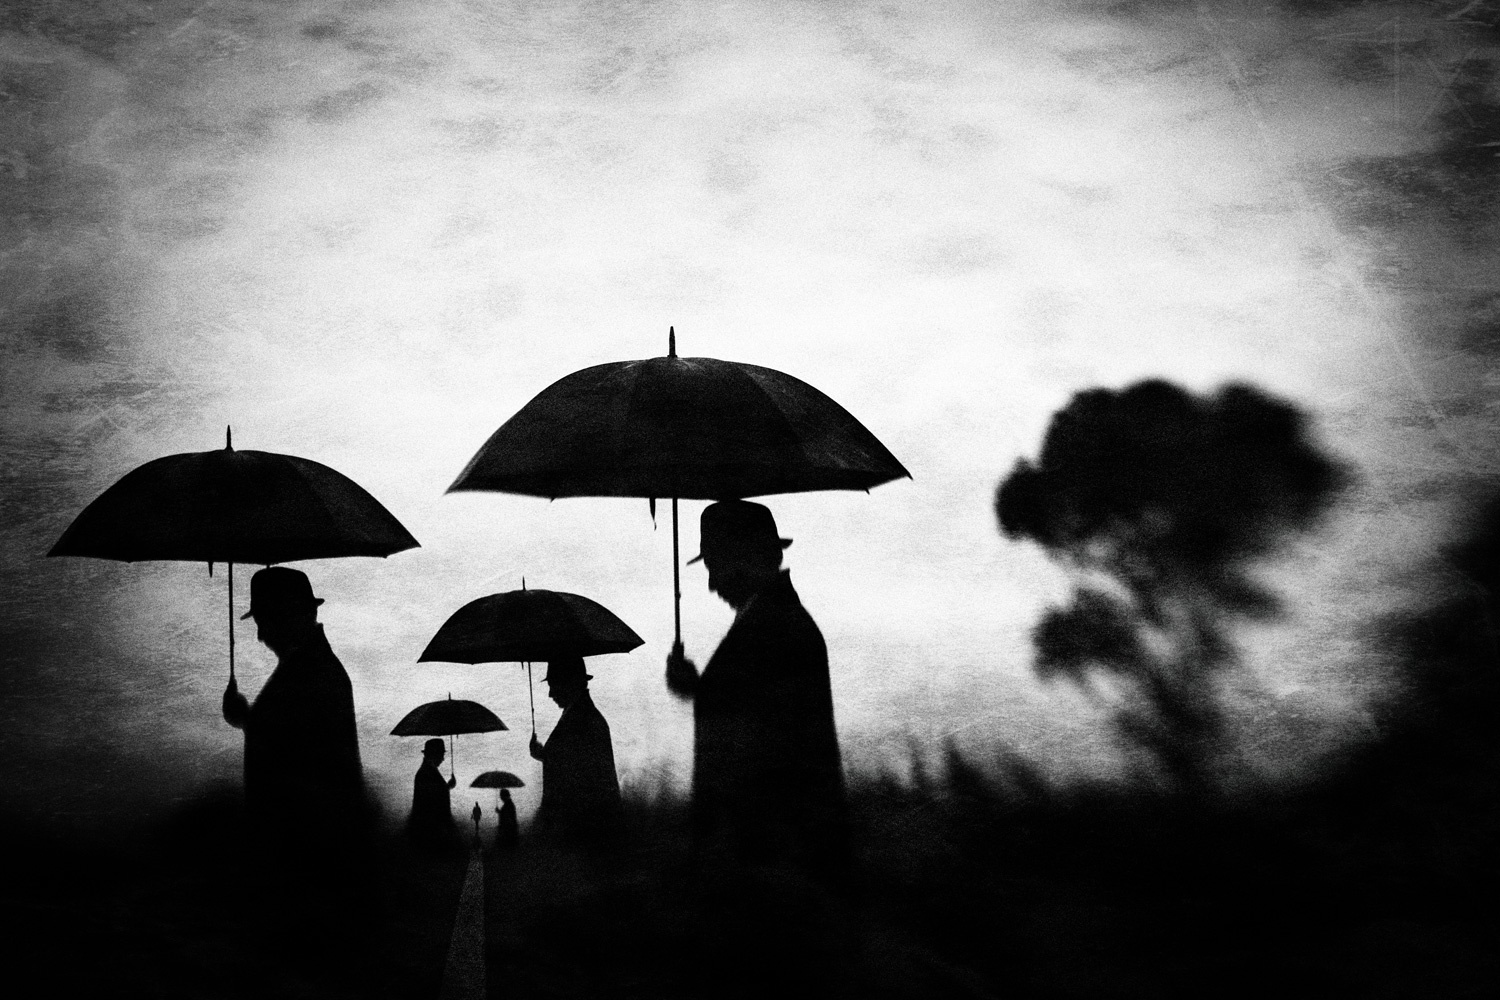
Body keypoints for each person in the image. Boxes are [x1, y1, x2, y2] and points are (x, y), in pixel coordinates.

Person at [665, 500, 850, 885]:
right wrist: (698, 689)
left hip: (769, 858)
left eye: (714, 566)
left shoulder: (771, 627)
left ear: (744, 558)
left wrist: (700, 691)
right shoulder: (773, 620)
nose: (712, 584)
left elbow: (761, 742)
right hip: (772, 854)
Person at [222, 567, 366, 859]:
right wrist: (247, 720)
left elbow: (297, 760)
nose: (260, 636)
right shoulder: (309, 666)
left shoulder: (310, 672)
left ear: (289, 615)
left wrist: (249, 721)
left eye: (265, 622)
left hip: (302, 848)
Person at [527, 657, 625, 849]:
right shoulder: (579, 715)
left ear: (570, 683)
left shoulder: (582, 719)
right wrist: (544, 755)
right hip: (583, 830)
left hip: (585, 832)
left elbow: (579, 775)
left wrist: (546, 756)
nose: (550, 694)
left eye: (554, 685)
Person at [406, 738, 458, 851]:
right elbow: (433, 799)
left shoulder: (427, 771)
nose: (443, 759)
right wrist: (447, 787)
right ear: (434, 754)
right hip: (430, 829)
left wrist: (448, 787)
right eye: (441, 755)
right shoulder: (427, 772)